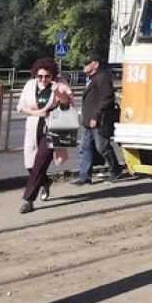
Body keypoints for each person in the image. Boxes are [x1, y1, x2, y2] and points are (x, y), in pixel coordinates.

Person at [16, 57, 74, 213]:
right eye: (40, 76)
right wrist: (36, 112)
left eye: (47, 76)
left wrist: (58, 92)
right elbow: (20, 106)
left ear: (53, 75)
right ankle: (45, 181)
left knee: (41, 162)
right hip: (34, 126)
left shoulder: (60, 84)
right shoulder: (30, 85)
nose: (43, 79)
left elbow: (67, 104)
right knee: (30, 165)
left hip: (53, 127)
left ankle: (28, 200)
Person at [76, 53, 124, 185]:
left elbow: (107, 98)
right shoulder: (91, 78)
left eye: (87, 63)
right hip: (87, 120)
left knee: (102, 146)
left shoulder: (102, 77)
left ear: (95, 64)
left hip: (98, 120)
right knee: (85, 147)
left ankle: (115, 168)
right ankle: (84, 175)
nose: (84, 66)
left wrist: (96, 116)